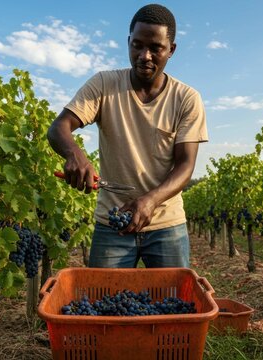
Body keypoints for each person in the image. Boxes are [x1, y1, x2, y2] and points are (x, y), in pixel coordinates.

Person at [47, 3, 208, 268]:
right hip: (113, 222)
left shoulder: (186, 98)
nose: (144, 55)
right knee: (105, 304)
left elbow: (185, 166)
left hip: (166, 225)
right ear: (128, 42)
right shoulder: (103, 84)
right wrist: (75, 155)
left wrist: (150, 201)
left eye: (155, 48)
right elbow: (58, 128)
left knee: (174, 305)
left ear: (171, 50)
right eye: (137, 45)